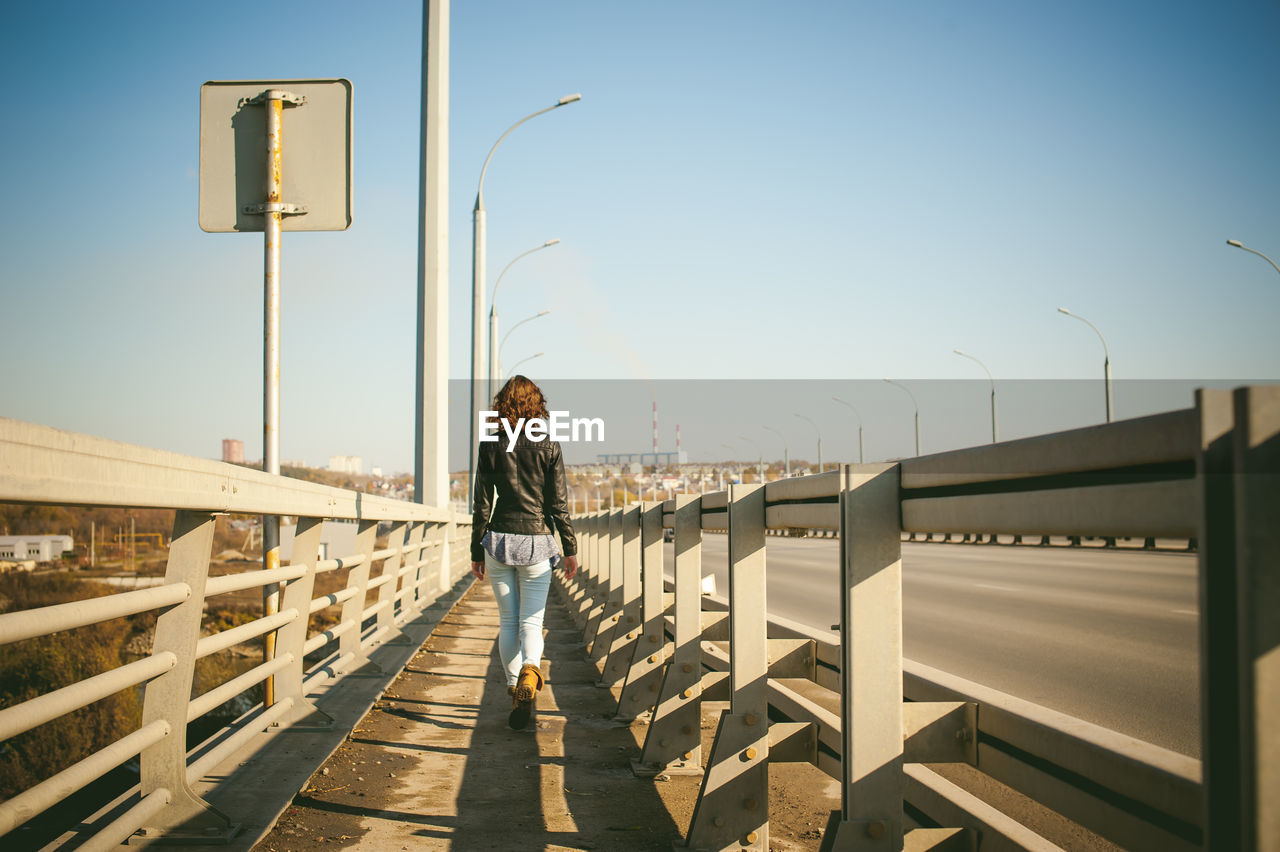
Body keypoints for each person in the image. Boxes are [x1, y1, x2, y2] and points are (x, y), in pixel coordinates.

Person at [471, 375, 578, 730]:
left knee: (508, 621)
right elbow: (558, 504)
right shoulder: (549, 444)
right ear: (537, 407)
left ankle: (514, 683)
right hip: (537, 540)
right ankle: (531, 671)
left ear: (501, 405)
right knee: (532, 621)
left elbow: (482, 504)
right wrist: (569, 548)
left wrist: (476, 549)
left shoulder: (490, 444)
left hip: (499, 540)